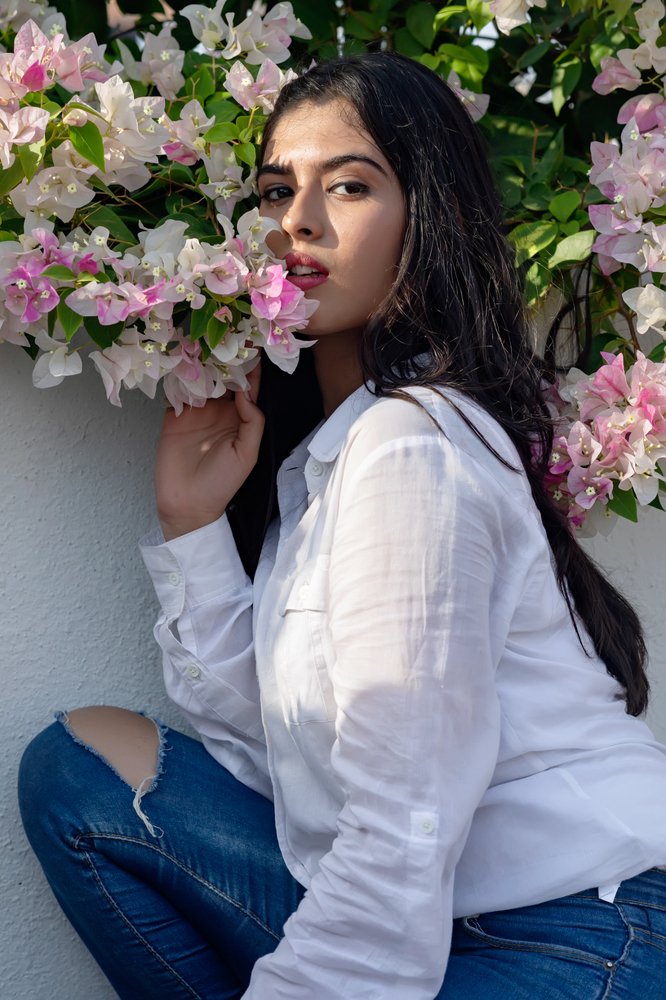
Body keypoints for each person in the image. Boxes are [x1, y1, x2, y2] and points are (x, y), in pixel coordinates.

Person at [17, 51, 666, 1000]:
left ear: (429, 219)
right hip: (436, 911)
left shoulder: (411, 445)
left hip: (574, 925)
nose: (299, 222)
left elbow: (405, 814)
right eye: (277, 191)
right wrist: (192, 524)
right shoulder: (329, 458)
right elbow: (280, 754)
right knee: (79, 771)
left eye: (350, 186)